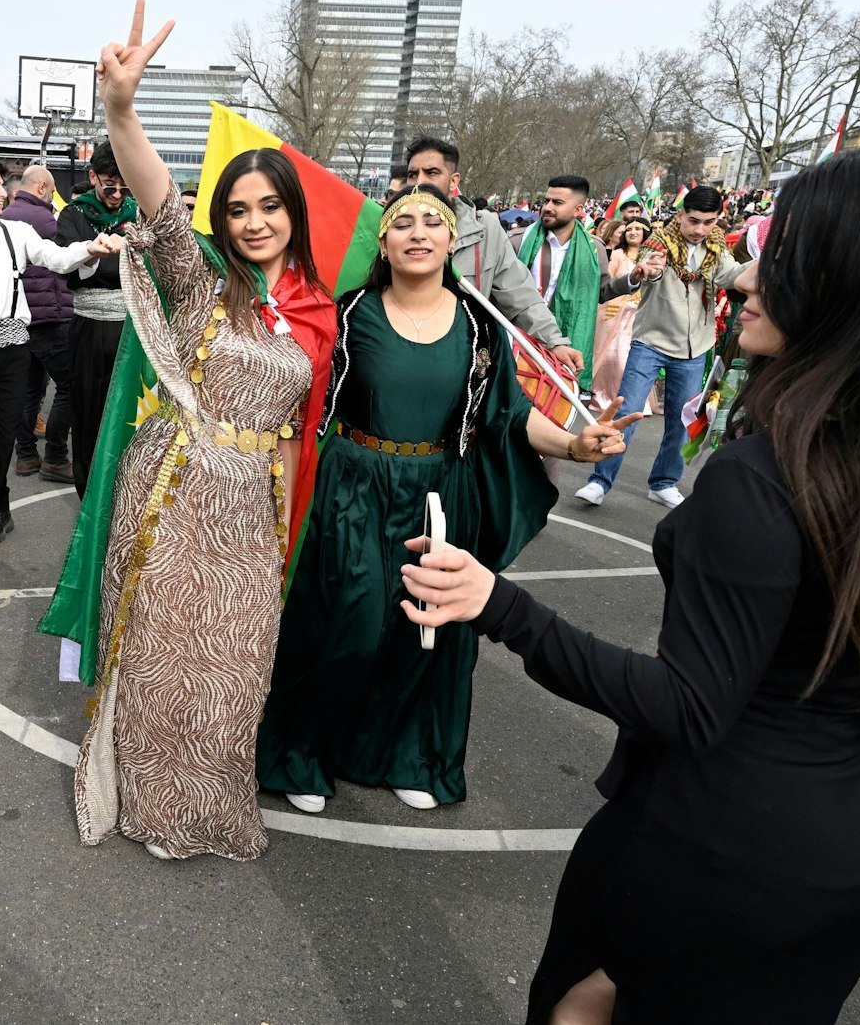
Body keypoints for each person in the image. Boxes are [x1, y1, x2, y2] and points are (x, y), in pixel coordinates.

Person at [402, 138, 860, 1024]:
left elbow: (690, 705)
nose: (744, 278)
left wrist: (499, 605)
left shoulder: (766, 477)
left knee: (576, 1006)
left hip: (723, 841)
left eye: (785, 256)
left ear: (858, 284)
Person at [257, 186, 629, 816]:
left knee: (422, 632)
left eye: (435, 221)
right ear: (384, 240)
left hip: (438, 493)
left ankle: (404, 755)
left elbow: (508, 415)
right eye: (404, 222)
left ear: (454, 240)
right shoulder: (347, 314)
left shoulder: (481, 326)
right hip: (351, 490)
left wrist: (574, 444)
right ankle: (304, 753)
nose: (419, 231)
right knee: (347, 621)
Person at [71, 0, 332, 861]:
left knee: (233, 660)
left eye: (269, 206)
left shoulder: (320, 310)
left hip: (252, 507)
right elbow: (157, 194)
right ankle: (146, 800)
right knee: (159, 645)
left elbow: (312, 423)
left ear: (293, 211)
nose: (254, 221)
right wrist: (120, 109)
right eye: (239, 208)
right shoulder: (202, 280)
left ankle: (208, 803)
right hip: (176, 482)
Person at [0, 157, 115, 563]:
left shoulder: (19, 232)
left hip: (16, 345)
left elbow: (56, 258)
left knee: (2, 437)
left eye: (4, 185)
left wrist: (91, 247)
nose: (4, 192)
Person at [574, 185, 742, 510]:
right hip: (650, 341)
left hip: (695, 349)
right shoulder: (660, 243)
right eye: (693, 220)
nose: (699, 229)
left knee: (684, 421)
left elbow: (733, 277)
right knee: (627, 412)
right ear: (680, 216)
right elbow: (648, 270)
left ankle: (664, 482)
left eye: (709, 222)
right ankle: (599, 482)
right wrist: (643, 272)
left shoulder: (717, 251)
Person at [401, 135, 584, 378]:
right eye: (413, 174)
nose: (420, 182)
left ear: (453, 180)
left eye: (432, 172)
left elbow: (520, 295)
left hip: (462, 364)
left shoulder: (484, 229)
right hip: (402, 355)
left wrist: (554, 342)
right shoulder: (389, 230)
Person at [57, 141, 139, 493]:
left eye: (124, 185)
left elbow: (151, 268)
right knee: (87, 412)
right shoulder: (73, 215)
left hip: (131, 329)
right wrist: (111, 262)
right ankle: (88, 493)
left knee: (130, 412)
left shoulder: (139, 213)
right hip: (88, 327)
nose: (117, 194)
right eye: (109, 184)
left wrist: (97, 259)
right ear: (92, 177)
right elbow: (68, 271)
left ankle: (127, 490)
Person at [1, 164, 76, 482]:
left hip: (17, 316)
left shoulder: (2, 218)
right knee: (70, 386)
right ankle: (56, 457)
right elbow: (64, 260)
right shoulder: (47, 218)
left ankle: (26, 456)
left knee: (28, 390)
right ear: (43, 188)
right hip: (49, 314)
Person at [516, 175, 606, 392]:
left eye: (557, 203)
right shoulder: (518, 241)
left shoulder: (595, 250)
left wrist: (633, 280)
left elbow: (601, 292)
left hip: (566, 339)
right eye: (546, 201)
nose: (547, 207)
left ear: (578, 210)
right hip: (523, 334)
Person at [592, 219, 650, 405]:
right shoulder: (618, 254)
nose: (632, 232)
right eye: (628, 230)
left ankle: (631, 400)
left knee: (633, 358)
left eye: (637, 229)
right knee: (614, 356)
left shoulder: (649, 256)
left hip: (639, 315)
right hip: (616, 314)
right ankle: (606, 396)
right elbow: (608, 282)